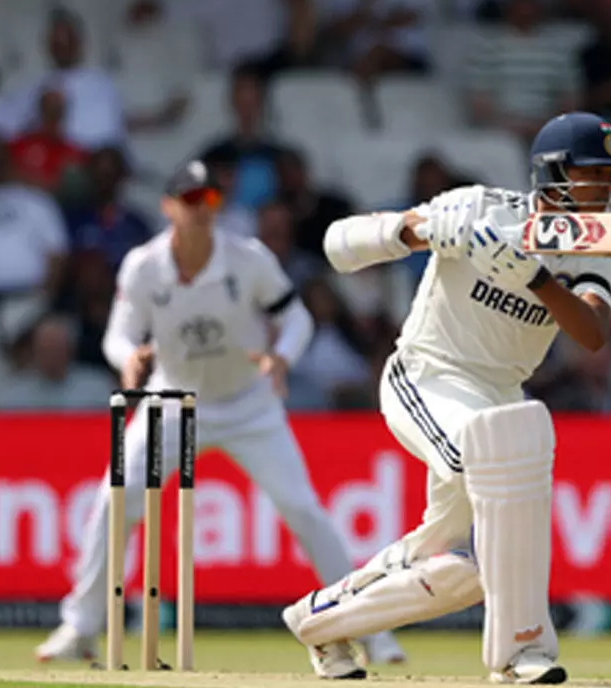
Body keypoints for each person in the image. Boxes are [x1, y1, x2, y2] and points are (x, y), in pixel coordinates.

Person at [280, 111, 611, 683]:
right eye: (597, 175)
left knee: (463, 564)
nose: (609, 189)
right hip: (427, 375)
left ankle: (320, 621)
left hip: (497, 396)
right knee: (507, 458)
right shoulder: (482, 208)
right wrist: (417, 231)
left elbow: (592, 334)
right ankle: (522, 650)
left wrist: (535, 279)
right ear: (556, 173)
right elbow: (337, 245)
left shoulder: (590, 251)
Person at [34, 161, 405, 668]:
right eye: (190, 200)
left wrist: (283, 358)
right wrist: (129, 358)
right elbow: (118, 334)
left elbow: (293, 316)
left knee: (303, 510)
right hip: (172, 402)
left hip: (249, 404)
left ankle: (372, 631)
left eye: (209, 200)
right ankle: (79, 626)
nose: (201, 210)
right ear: (168, 207)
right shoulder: (143, 266)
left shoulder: (246, 258)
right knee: (113, 503)